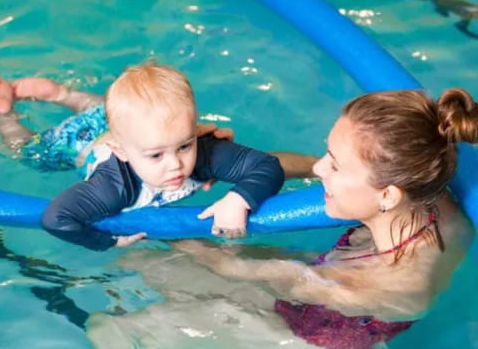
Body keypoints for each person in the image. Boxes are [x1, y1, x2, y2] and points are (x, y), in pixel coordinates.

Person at [174, 88, 477, 348]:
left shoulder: (384, 284)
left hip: (306, 335)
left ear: (387, 196)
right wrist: (213, 158)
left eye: (335, 165)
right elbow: (304, 166)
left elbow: (237, 268)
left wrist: (170, 234)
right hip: (323, 276)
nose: (319, 168)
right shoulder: (426, 190)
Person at [0, 64, 314, 251]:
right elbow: (56, 219)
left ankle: (62, 95)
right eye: (157, 156)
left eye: (184, 146)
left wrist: (239, 198)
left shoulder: (200, 149)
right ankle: (8, 116)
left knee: (105, 111)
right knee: (30, 151)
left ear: (194, 130)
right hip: (74, 143)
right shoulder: (112, 187)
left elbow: (266, 165)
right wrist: (108, 242)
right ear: (121, 153)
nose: (175, 164)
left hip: (128, 127)